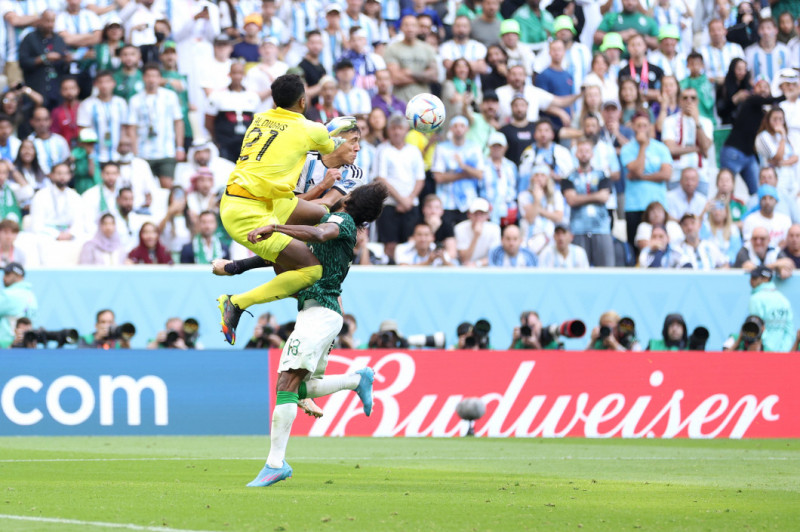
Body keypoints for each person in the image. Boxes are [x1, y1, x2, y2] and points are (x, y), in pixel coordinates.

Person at [220, 182, 387, 487]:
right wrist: (238, 266)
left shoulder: (340, 221)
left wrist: (277, 227)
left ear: (348, 200)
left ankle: (275, 463)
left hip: (320, 312)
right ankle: (357, 380)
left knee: (286, 382)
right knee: (297, 389)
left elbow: (319, 234)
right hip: (321, 312)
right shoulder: (339, 225)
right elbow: (285, 254)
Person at [216, 75, 356, 345]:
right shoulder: (309, 128)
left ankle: (291, 280)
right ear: (303, 101)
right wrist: (338, 128)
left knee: (327, 220)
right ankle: (236, 302)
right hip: (247, 213)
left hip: (264, 199)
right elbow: (331, 151)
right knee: (311, 270)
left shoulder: (259, 118)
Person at [374, 112, 425, 260]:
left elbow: (420, 179)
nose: (397, 132)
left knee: (410, 243)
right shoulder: (382, 150)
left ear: (406, 130)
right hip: (389, 205)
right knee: (390, 245)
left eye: (400, 128)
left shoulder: (414, 151)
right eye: (393, 128)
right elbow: (380, 178)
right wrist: (401, 200)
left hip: (411, 205)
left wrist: (408, 199)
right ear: (388, 130)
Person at [125, 63, 185, 189]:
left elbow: (178, 122)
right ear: (143, 78)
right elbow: (131, 127)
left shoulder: (170, 96)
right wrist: (135, 152)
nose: (152, 79)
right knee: (145, 187)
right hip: (143, 151)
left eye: (155, 76)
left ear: (160, 78)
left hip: (166, 150)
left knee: (168, 186)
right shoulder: (135, 99)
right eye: (148, 76)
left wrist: (180, 147)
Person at [721, 78, 784, 195]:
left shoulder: (764, 114)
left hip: (749, 156)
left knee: (757, 192)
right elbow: (771, 101)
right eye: (760, 86)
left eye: (766, 87)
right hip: (733, 152)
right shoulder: (751, 100)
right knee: (726, 190)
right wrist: (786, 95)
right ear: (754, 89)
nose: (763, 90)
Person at [620, 110, 673, 248]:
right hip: (634, 205)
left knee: (661, 245)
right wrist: (643, 146)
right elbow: (637, 169)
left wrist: (641, 177)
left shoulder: (661, 148)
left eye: (645, 125)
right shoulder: (627, 149)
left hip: (658, 206)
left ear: (650, 126)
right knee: (636, 247)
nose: (642, 129)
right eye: (639, 125)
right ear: (633, 127)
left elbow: (666, 174)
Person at [561, 137, 613, 266]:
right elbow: (571, 200)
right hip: (578, 229)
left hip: (601, 228)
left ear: (592, 154)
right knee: (580, 271)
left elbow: (604, 197)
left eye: (587, 151)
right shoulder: (569, 177)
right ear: (576, 154)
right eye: (581, 151)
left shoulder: (602, 175)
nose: (584, 154)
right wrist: (596, 196)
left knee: (606, 271)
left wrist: (580, 197)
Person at [431, 116, 485, 227]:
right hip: (446, 202)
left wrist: (463, 166)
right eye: (455, 126)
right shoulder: (442, 148)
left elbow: (480, 174)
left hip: (469, 202)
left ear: (467, 129)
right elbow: (438, 177)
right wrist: (465, 174)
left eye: (462, 126)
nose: (458, 129)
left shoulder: (474, 148)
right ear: (451, 129)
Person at [661, 88, 715, 190]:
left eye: (693, 98)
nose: (689, 101)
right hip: (676, 176)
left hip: (701, 176)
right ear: (679, 101)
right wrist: (697, 148)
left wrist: (697, 122)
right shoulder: (669, 121)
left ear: (697, 101)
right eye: (685, 98)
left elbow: (706, 147)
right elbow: (670, 149)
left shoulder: (706, 122)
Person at [18, 11, 68, 108]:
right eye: (47, 21)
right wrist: (44, 58)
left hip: (56, 90)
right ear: (40, 20)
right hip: (36, 88)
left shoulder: (59, 40)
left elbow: (64, 67)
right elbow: (23, 63)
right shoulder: (30, 38)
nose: (50, 24)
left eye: (52, 21)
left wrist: (66, 60)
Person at [383, 15, 438, 103]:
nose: (410, 29)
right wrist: (423, 77)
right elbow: (395, 78)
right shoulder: (392, 48)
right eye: (406, 25)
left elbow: (434, 76)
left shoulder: (428, 49)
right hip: (400, 101)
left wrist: (410, 73)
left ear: (418, 28)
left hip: (424, 102)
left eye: (413, 25)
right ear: (401, 28)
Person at [754, 106, 800, 201]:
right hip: (774, 180)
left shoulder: (785, 136)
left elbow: (795, 158)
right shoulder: (763, 137)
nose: (778, 122)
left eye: (780, 119)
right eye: (775, 119)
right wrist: (782, 137)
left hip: (791, 178)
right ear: (768, 120)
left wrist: (782, 163)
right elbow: (778, 157)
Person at [517, 163, 564, 254]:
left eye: (542, 175)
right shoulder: (524, 196)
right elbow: (530, 218)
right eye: (536, 175)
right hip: (530, 238)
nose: (539, 178)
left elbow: (559, 217)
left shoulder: (556, 195)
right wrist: (537, 200)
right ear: (532, 178)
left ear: (547, 178)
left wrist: (538, 209)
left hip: (550, 238)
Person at [30, 162, 84, 240]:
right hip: (46, 235)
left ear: (70, 176)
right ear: (51, 175)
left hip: (69, 235)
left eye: (65, 173)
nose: (62, 176)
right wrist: (56, 234)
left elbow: (79, 221)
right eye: (59, 173)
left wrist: (71, 233)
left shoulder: (75, 196)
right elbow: (37, 224)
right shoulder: (41, 195)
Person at [748, 265, 794, 352]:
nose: (751, 280)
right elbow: (789, 330)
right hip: (784, 352)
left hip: (765, 352)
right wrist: (785, 350)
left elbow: (756, 328)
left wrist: (767, 348)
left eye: (755, 277)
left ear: (765, 279)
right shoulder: (783, 299)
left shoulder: (756, 299)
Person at [455, 197, 501, 266]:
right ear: (469, 215)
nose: (478, 217)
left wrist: (477, 264)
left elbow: (494, 257)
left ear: (487, 215)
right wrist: (476, 236)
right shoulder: (460, 228)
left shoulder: (495, 229)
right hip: (465, 268)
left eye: (482, 214)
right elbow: (464, 259)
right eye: (475, 213)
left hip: (487, 268)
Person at [0, 262, 37, 348]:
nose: (3, 277)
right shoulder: (31, 295)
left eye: (8, 274)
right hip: (27, 345)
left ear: (19, 276)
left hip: (6, 346)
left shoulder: (7, 294)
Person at [744, 17, 791, 85]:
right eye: (762, 28)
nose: (766, 32)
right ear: (758, 31)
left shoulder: (785, 50)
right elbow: (748, 77)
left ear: (776, 30)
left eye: (769, 28)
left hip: (781, 92)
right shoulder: (750, 51)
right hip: (759, 93)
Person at [700, 19, 745, 86]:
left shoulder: (736, 48)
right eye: (713, 30)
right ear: (709, 32)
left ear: (725, 31)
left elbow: (743, 69)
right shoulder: (702, 51)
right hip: (710, 88)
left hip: (733, 87)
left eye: (719, 30)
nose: (716, 33)